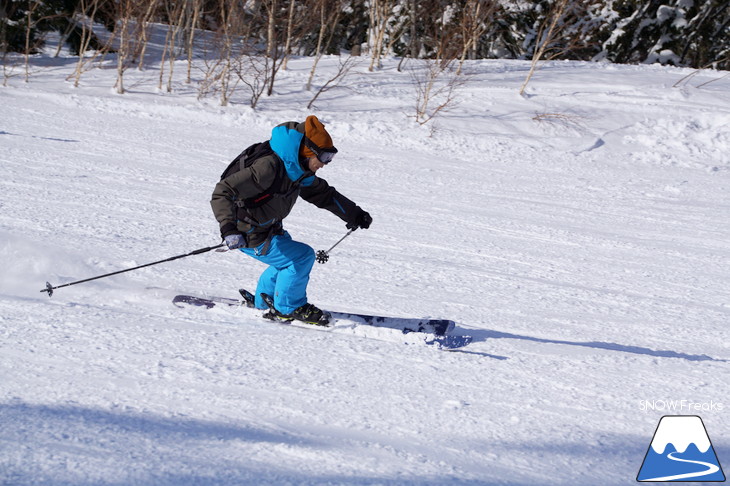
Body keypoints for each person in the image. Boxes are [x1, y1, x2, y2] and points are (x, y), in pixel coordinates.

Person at [211, 115, 372, 325]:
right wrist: (229, 228)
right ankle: (288, 307)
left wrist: (354, 214)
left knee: (287, 261)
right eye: (323, 157)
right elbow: (223, 191)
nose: (325, 164)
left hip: (269, 227)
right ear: (308, 152)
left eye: (330, 158)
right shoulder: (268, 167)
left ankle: (262, 302)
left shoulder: (298, 170)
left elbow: (323, 194)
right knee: (300, 257)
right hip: (247, 232)